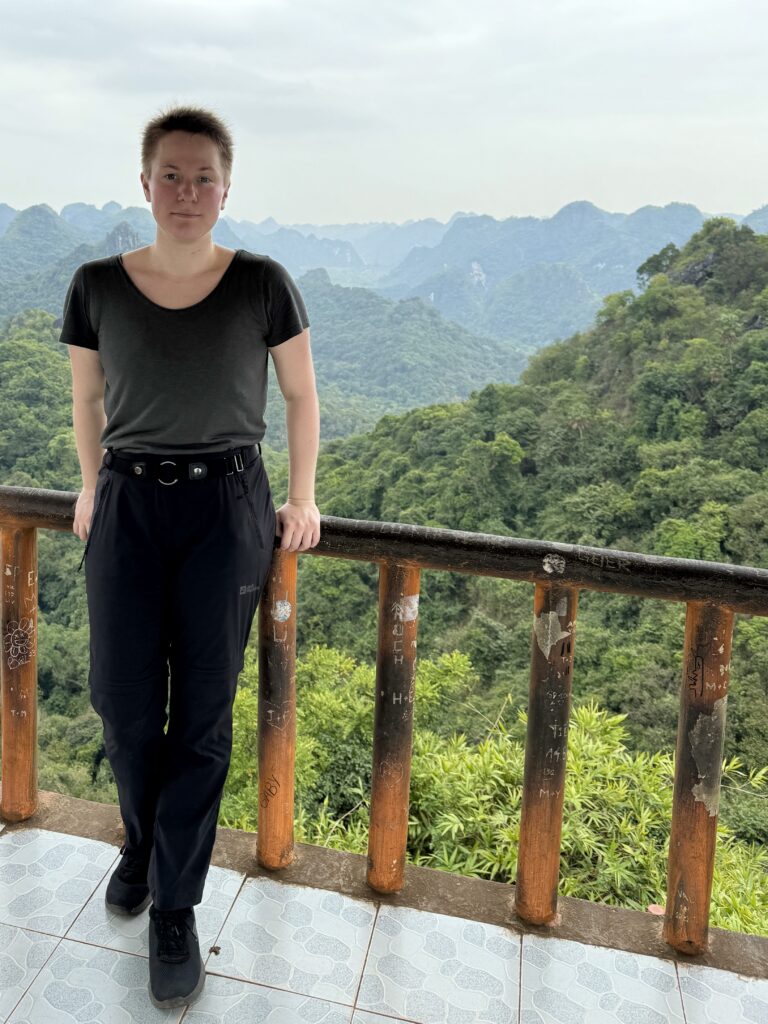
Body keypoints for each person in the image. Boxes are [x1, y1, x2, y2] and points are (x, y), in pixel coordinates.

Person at [59, 104, 320, 1009]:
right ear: (144, 184)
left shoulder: (262, 283)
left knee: (203, 710)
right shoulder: (96, 285)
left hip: (228, 504)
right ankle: (141, 839)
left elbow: (298, 396)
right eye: (170, 174)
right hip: (128, 502)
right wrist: (91, 485)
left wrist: (302, 496)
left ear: (226, 188)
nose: (186, 191)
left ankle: (175, 905)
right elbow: (87, 405)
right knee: (125, 704)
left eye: (203, 176)